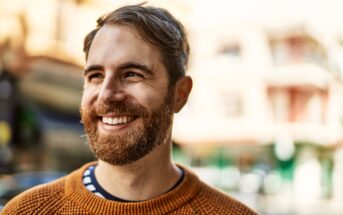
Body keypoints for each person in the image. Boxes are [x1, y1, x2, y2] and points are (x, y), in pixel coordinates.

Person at [1, 4, 257, 215]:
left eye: (132, 74)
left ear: (180, 94)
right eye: (96, 76)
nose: (107, 93)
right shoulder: (27, 211)